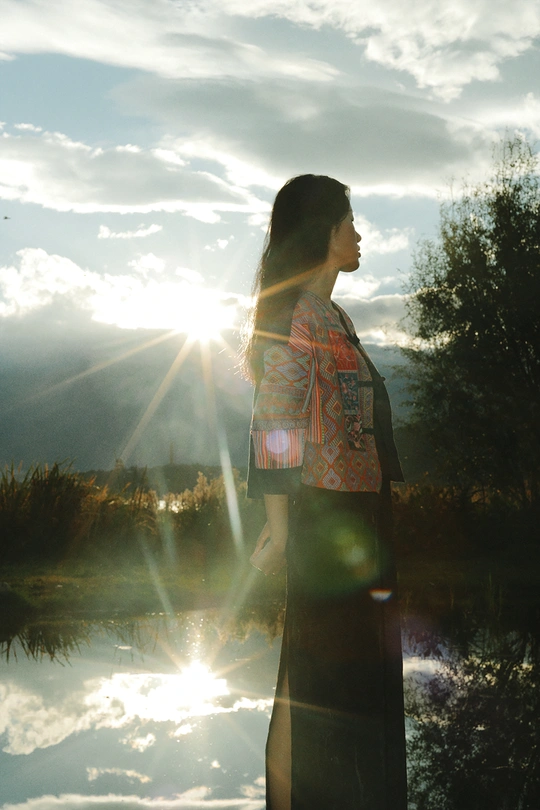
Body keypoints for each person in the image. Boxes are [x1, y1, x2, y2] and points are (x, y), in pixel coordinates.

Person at [242, 175, 407, 810]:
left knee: (313, 682)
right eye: (349, 223)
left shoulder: (333, 316)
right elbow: (274, 423)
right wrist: (281, 529)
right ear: (323, 233)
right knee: (317, 682)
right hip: (323, 520)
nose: (358, 234)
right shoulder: (297, 318)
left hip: (358, 517)